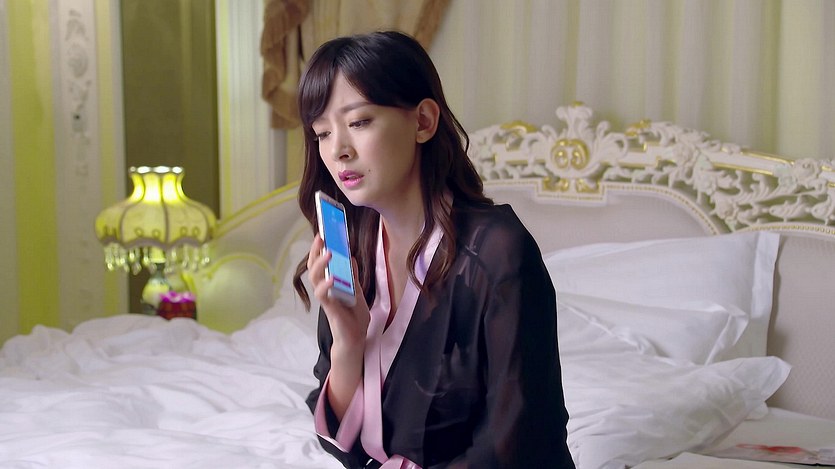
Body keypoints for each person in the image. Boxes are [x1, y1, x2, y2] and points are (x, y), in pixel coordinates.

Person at [292, 30, 575, 469]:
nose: (338, 151)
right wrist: (348, 343)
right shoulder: (353, 248)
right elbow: (342, 446)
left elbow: (519, 439)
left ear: (423, 121)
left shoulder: (497, 251)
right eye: (322, 133)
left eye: (359, 122)